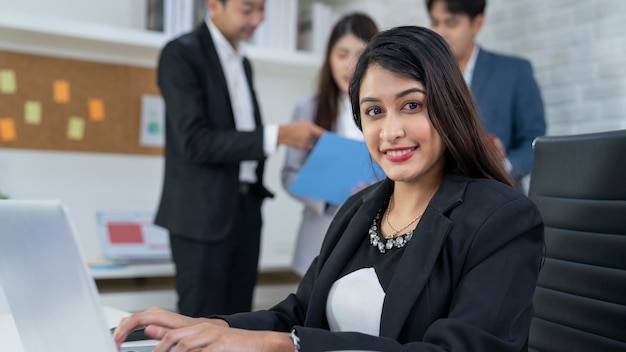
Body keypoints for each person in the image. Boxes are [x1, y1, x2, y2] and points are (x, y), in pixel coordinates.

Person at [114, 26, 544, 351]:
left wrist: (290, 345)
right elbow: (297, 313)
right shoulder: (361, 209)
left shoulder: (502, 218)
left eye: (411, 105)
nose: (391, 130)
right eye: (374, 111)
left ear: (449, 107)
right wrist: (207, 326)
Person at [154, 0, 324, 318]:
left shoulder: (243, 62)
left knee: (238, 323)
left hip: (245, 210)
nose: (257, 19)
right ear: (214, 5)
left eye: (262, 10)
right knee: (198, 324)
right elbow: (194, 142)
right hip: (201, 216)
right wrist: (279, 135)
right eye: (248, 9)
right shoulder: (181, 54)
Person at [282, 13, 379, 277]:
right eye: (342, 54)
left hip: (377, 238)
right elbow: (290, 174)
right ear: (328, 58)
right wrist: (328, 196)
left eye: (360, 54)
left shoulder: (387, 111)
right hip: (321, 236)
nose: (350, 65)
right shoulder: (308, 109)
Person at [426, 0, 546, 190]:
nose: (441, 33)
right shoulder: (424, 78)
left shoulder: (514, 72)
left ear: (477, 24)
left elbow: (535, 143)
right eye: (435, 23)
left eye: (451, 23)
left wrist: (501, 165)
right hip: (439, 199)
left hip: (499, 196)